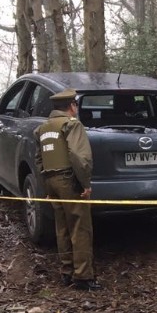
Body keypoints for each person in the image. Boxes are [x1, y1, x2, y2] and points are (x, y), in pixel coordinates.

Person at [33, 88, 100, 291]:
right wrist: (85, 184)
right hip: (69, 180)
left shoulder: (42, 129)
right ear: (72, 106)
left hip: (51, 180)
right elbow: (79, 157)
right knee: (80, 227)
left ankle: (67, 272)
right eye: (75, 105)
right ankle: (83, 276)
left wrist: (46, 184)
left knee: (61, 227)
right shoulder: (72, 125)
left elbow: (38, 160)